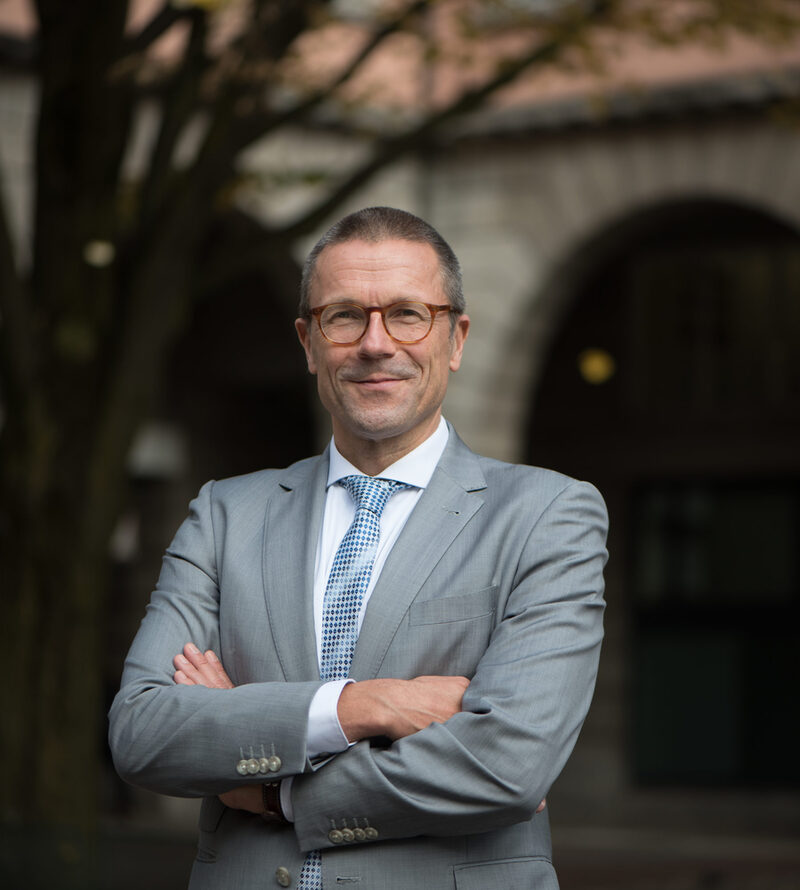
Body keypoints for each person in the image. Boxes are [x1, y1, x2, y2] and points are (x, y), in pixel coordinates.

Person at [109, 206, 608, 890]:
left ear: (455, 339)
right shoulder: (225, 514)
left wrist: (271, 789)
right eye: (344, 316)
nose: (376, 343)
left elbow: (508, 767)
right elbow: (142, 731)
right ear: (309, 343)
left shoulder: (547, 514)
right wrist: (366, 706)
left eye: (407, 314)